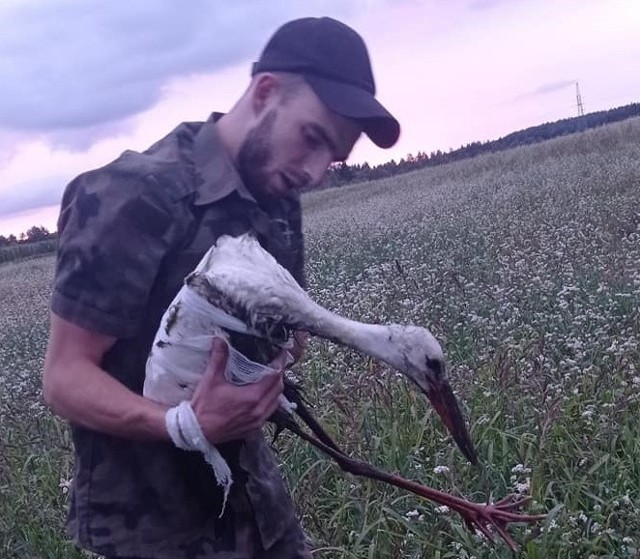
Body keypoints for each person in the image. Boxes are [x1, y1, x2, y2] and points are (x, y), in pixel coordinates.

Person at [42, 16, 400, 559]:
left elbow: (285, 338)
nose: (316, 172)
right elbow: (64, 378)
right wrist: (184, 424)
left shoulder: (276, 193)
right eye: (311, 138)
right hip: (150, 532)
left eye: (334, 157)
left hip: (259, 508)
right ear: (265, 92)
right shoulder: (130, 195)